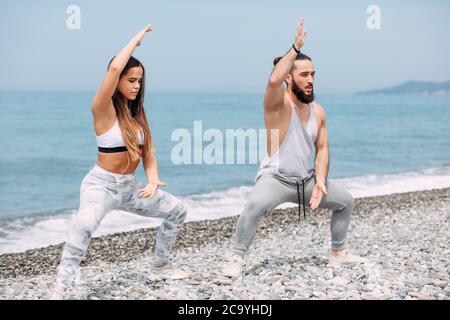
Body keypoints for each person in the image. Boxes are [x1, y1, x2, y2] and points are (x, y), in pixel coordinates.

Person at [221, 19, 369, 280]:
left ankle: (338, 254)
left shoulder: (318, 111)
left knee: (345, 201)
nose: (311, 80)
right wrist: (295, 47)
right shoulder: (278, 105)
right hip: (275, 179)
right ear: (289, 78)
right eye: (304, 75)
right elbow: (273, 80)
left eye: (313, 74)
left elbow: (322, 149)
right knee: (254, 205)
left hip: (306, 181)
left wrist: (321, 180)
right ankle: (236, 257)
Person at [52, 25, 190, 299]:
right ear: (116, 81)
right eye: (131, 80)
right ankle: (62, 286)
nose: (137, 86)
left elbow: (148, 152)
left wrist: (152, 179)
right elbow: (114, 69)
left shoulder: (137, 115)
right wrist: (135, 42)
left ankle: (161, 265)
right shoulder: (102, 110)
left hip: (129, 188)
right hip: (101, 186)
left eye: (140, 81)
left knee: (178, 211)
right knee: (85, 224)